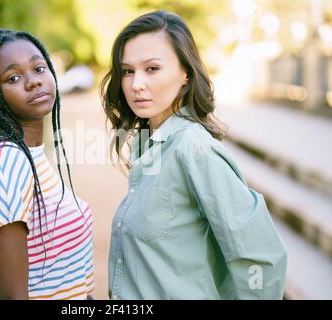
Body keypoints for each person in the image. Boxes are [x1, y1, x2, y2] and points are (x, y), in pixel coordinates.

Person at [100, 10, 287, 300]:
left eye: (151, 69)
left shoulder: (194, 150)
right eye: (127, 71)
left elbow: (261, 257)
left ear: (185, 74)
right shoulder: (149, 147)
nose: (136, 84)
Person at [0, 29, 94, 300]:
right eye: (13, 77)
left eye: (39, 68)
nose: (33, 82)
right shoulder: (6, 162)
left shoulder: (31, 156)